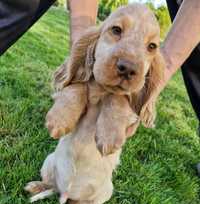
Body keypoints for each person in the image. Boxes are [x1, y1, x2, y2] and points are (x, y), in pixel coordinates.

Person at [0, 0, 199, 175]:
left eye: (151, 46)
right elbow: (84, 43)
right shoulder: (90, 43)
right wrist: (74, 85)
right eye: (117, 30)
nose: (129, 65)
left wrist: (129, 106)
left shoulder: (152, 70)